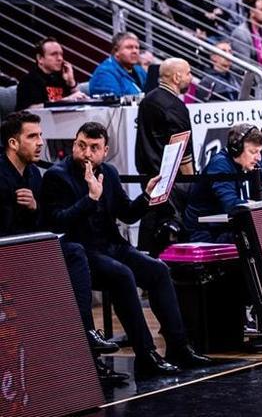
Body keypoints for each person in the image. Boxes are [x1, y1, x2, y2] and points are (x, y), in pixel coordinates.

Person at [41, 122, 212, 378]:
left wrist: (146, 196)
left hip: (112, 246)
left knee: (158, 270)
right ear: (74, 144)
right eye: (81, 145)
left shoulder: (108, 172)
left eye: (94, 148)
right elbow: (58, 222)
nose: (86, 153)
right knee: (122, 275)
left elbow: (127, 215)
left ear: (105, 151)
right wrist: (90, 199)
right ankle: (146, 354)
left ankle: (179, 346)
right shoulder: (57, 176)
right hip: (81, 253)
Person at [0, 112, 125, 383]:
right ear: (12, 142)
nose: (40, 142)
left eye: (40, 135)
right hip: (7, 254)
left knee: (74, 253)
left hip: (29, 249)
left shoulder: (33, 173)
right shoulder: (3, 175)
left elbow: (42, 221)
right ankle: (86, 341)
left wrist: (34, 208)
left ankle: (87, 348)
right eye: (32, 136)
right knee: (76, 254)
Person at [135, 58, 196, 256]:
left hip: (148, 176)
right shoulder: (175, 107)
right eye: (188, 73)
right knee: (169, 229)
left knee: (150, 222)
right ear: (177, 77)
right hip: (170, 180)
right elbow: (183, 151)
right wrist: (191, 181)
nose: (191, 78)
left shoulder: (147, 100)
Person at [184, 124, 262, 243]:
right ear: (236, 149)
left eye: (260, 152)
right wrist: (253, 205)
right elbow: (231, 205)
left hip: (225, 228)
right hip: (204, 233)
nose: (259, 158)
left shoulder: (248, 165)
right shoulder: (220, 165)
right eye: (253, 152)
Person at [15, 38, 88, 110]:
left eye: (61, 54)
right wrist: (66, 101)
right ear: (40, 58)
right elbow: (31, 109)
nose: (60, 58)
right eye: (54, 54)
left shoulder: (61, 77)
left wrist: (71, 82)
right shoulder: (29, 80)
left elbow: (79, 104)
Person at [89, 32, 147, 97]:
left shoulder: (139, 70)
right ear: (116, 51)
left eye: (137, 48)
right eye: (129, 47)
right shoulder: (104, 73)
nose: (135, 51)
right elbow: (114, 103)